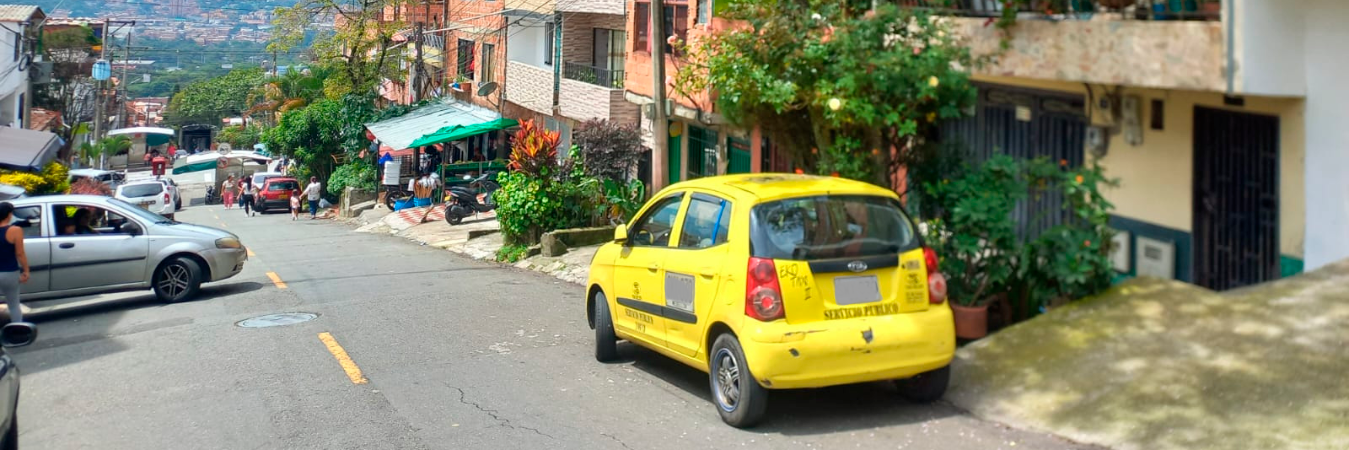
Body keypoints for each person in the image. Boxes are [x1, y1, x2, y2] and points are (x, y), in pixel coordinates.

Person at [0, 203, 30, 323]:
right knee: (13, 305)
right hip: (9, 272)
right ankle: (17, 330)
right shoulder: (15, 230)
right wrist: (26, 270)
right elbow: (20, 253)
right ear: (8, 214)